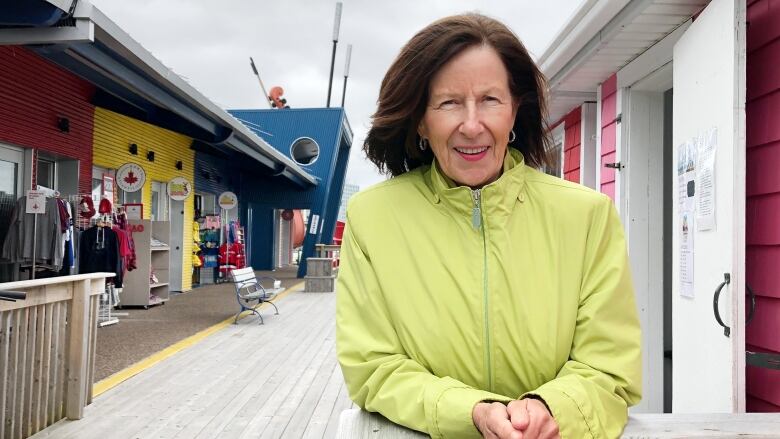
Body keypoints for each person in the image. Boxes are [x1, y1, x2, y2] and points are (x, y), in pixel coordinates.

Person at [336, 13, 641, 439]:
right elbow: (373, 365)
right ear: (421, 119)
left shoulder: (587, 216)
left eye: (490, 100)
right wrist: (473, 411)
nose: (472, 124)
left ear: (516, 110)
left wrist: (550, 408)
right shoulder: (372, 218)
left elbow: (608, 366)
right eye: (449, 103)